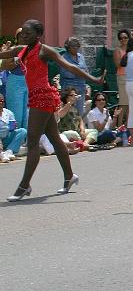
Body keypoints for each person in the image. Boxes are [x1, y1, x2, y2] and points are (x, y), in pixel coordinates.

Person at [1, 19, 102, 201]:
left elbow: (69, 66)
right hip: (36, 96)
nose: (24, 35)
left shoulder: (44, 50)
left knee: (32, 142)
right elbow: (3, 56)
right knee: (55, 139)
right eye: (22, 33)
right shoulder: (21, 50)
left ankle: (24, 186)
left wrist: (93, 79)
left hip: (43, 97)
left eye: (28, 33)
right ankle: (70, 176)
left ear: (38, 35)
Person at [1, 28, 29, 130]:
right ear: (16, 37)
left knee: (27, 113)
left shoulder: (32, 49)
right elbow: (4, 66)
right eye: (20, 35)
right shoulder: (13, 49)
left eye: (25, 35)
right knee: (16, 111)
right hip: (15, 80)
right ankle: (17, 136)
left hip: (29, 81)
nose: (23, 37)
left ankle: (26, 137)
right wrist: (18, 60)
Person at [58, 37, 90, 117]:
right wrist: (79, 72)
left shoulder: (81, 57)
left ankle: (79, 128)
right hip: (69, 90)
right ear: (68, 47)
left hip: (81, 88)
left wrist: (77, 71)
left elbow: (86, 70)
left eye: (77, 46)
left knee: (80, 113)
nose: (76, 48)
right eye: (74, 46)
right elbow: (65, 73)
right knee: (69, 112)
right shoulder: (63, 58)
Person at [0, 92, 27, 162]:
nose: (1, 103)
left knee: (22, 131)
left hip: (6, 138)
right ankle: (1, 153)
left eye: (2, 101)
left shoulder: (8, 113)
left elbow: (12, 128)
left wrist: (13, 126)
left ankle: (9, 151)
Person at [112, 30, 131, 127]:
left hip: (132, 77)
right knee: (123, 103)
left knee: (130, 103)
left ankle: (128, 125)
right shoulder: (117, 50)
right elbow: (117, 64)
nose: (123, 40)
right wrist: (127, 57)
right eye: (121, 38)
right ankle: (119, 126)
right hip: (122, 76)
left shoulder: (132, 49)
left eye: (125, 37)